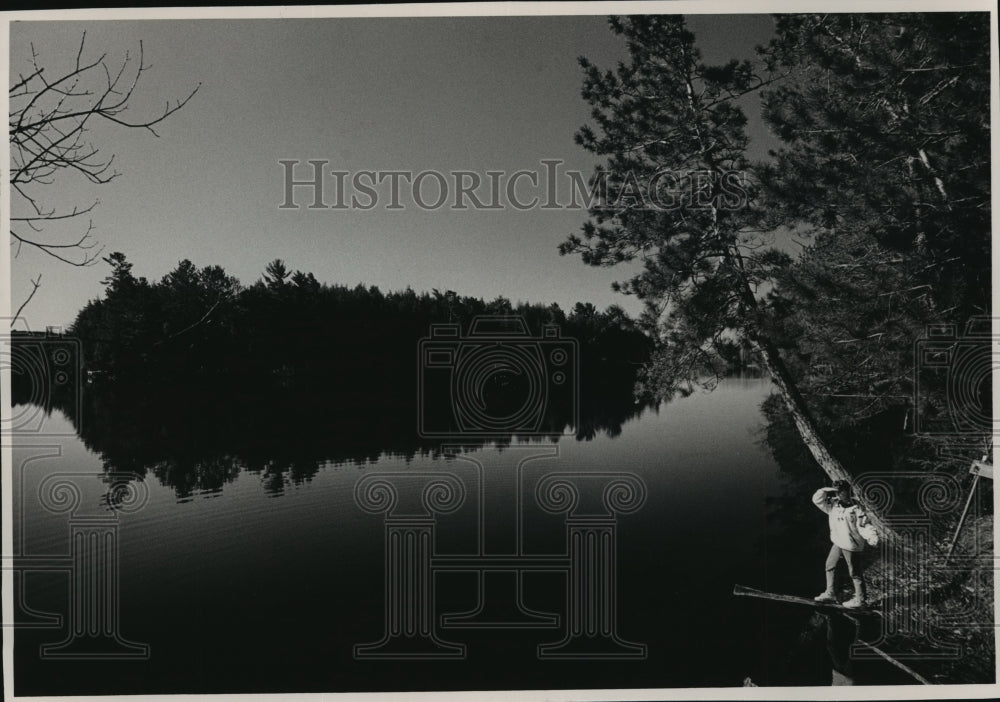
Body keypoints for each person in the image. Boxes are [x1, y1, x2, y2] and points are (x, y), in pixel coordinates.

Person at [812, 480, 875, 608]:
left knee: (855, 573)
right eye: (837, 492)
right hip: (838, 542)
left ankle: (860, 600)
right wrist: (824, 490)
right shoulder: (833, 505)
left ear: (848, 491)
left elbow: (865, 525)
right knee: (830, 565)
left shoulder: (856, 508)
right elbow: (817, 500)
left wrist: (871, 537)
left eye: (842, 491)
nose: (840, 494)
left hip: (851, 545)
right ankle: (830, 593)